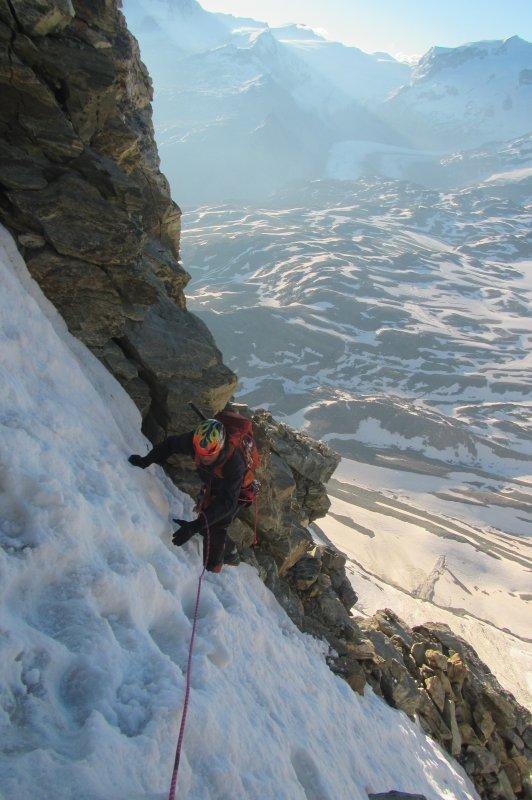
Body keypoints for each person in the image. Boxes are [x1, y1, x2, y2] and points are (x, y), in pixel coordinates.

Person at [128, 419, 245, 573]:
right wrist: (146, 460)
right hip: (213, 482)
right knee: (206, 521)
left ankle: (216, 566)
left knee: (217, 524)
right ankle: (225, 548)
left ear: (220, 449)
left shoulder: (235, 464)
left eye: (208, 456)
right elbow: (170, 445)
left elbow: (227, 504)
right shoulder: (197, 442)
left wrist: (194, 527)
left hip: (238, 491)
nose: (202, 458)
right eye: (199, 453)